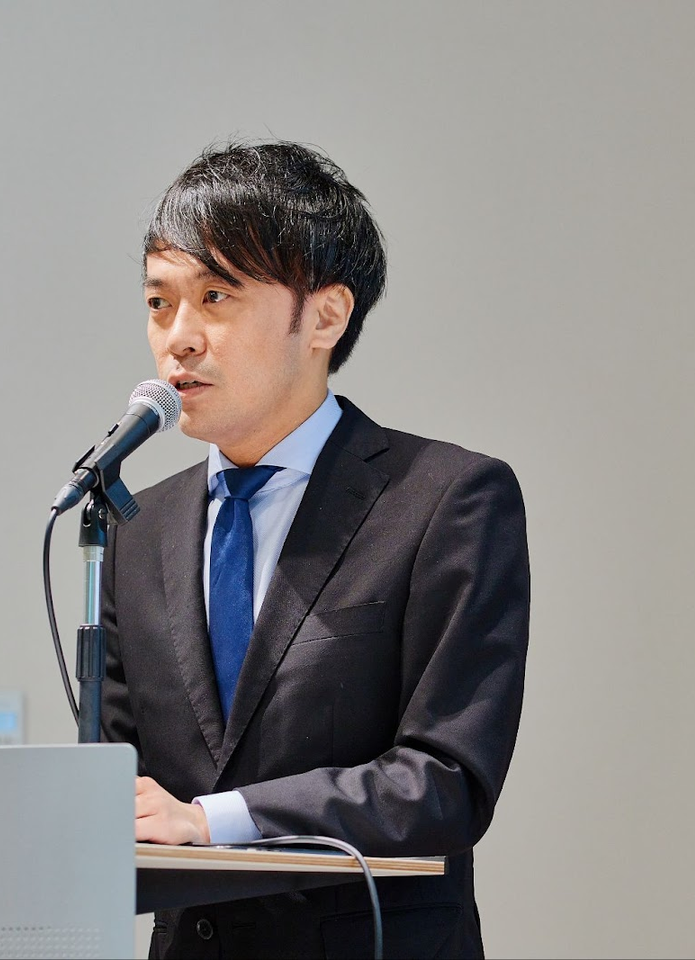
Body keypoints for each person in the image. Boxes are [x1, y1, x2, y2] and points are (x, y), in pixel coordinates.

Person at [99, 140, 531, 959]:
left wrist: (214, 821)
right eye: (159, 303)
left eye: (216, 296)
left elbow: (445, 781)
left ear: (325, 317)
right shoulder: (135, 529)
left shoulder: (445, 500)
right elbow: (129, 794)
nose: (178, 338)